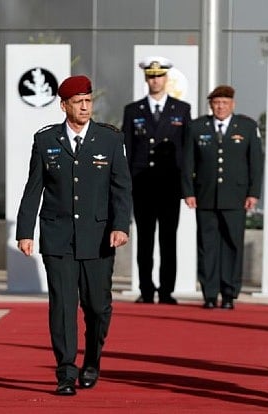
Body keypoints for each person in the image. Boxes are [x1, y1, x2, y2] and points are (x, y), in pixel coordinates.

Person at [15, 75, 132, 396]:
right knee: (63, 306)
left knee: (97, 306)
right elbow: (33, 189)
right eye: (78, 102)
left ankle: (92, 359)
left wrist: (121, 225)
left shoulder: (109, 139)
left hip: (99, 237)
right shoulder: (45, 140)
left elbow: (121, 188)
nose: (84, 107)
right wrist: (25, 231)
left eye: (88, 101)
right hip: (58, 237)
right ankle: (66, 372)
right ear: (64, 105)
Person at [181, 85, 262, 310]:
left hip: (236, 197)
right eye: (216, 103)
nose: (220, 107)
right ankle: (209, 293)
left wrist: (253, 192)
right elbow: (187, 162)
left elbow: (255, 162)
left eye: (225, 103)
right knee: (207, 246)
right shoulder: (197, 127)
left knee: (232, 245)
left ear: (232, 104)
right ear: (211, 105)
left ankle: (228, 293)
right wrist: (188, 191)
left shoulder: (246, 126)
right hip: (205, 196)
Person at [121, 56, 191, 305]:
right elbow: (128, 149)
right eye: (151, 76)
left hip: (170, 185)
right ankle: (146, 289)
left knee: (168, 240)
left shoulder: (181, 109)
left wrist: (187, 187)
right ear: (146, 78)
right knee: (145, 240)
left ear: (166, 78)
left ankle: (166, 291)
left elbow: (186, 151)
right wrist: (125, 184)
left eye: (159, 76)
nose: (155, 81)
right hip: (143, 186)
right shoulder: (133, 110)